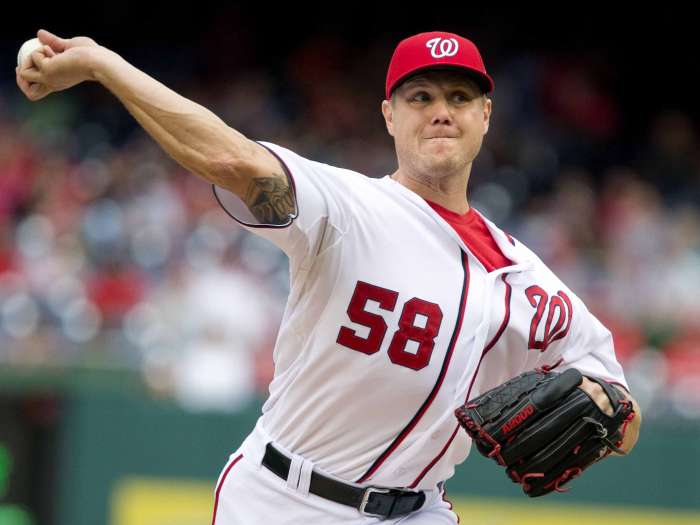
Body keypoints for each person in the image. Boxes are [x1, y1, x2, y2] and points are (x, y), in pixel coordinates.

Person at [16, 29, 641, 524]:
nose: (440, 112)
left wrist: (608, 406)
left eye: (458, 97)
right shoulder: (345, 207)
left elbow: (621, 408)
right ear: (389, 116)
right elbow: (229, 157)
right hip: (280, 499)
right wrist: (104, 65)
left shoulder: (529, 283)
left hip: (418, 511)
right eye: (420, 97)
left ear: (486, 115)